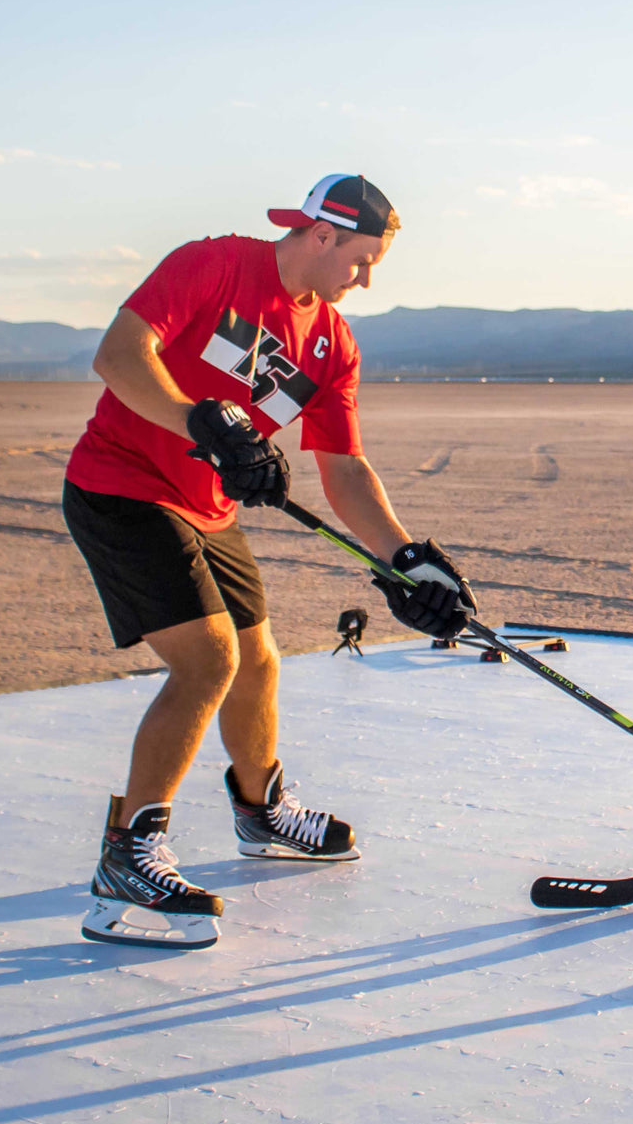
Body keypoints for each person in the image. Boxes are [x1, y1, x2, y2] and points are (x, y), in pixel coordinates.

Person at [63, 173, 477, 949]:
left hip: (206, 510)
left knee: (258, 661)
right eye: (361, 261)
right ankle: (126, 858)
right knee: (208, 660)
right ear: (321, 235)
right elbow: (119, 356)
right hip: (120, 487)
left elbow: (344, 469)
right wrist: (198, 418)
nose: (366, 279)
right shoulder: (213, 266)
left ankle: (262, 814)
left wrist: (406, 561)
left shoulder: (333, 344)